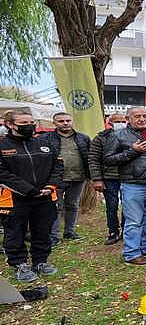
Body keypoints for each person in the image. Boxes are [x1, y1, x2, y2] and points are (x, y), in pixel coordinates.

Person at [0, 109, 63, 282]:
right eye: (23, 124)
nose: (29, 126)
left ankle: (40, 261)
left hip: (45, 197)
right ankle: (19, 264)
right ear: (10, 125)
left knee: (42, 231)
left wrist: (50, 186)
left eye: (31, 122)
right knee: (15, 232)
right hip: (15, 199)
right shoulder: (3, 146)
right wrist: (30, 190)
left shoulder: (43, 143)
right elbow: (3, 174)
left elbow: (58, 166)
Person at [104, 107, 146, 266]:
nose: (142, 119)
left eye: (144, 116)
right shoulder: (117, 135)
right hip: (133, 184)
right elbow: (108, 160)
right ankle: (132, 253)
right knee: (134, 221)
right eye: (137, 116)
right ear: (128, 118)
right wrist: (133, 151)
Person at [40, 112, 90, 245]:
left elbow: (90, 157)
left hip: (78, 177)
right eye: (61, 121)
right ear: (54, 123)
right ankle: (54, 236)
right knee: (56, 206)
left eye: (68, 120)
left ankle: (70, 232)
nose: (65, 123)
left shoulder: (83, 138)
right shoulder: (45, 138)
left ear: (72, 121)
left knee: (73, 205)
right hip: (56, 179)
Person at [89, 113, 127, 245]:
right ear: (110, 122)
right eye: (117, 121)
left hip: (129, 177)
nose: (121, 123)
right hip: (109, 178)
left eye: (123, 120)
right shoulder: (101, 137)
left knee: (129, 207)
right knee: (112, 206)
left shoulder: (132, 135)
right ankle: (113, 231)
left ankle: (126, 231)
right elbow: (93, 159)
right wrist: (97, 179)